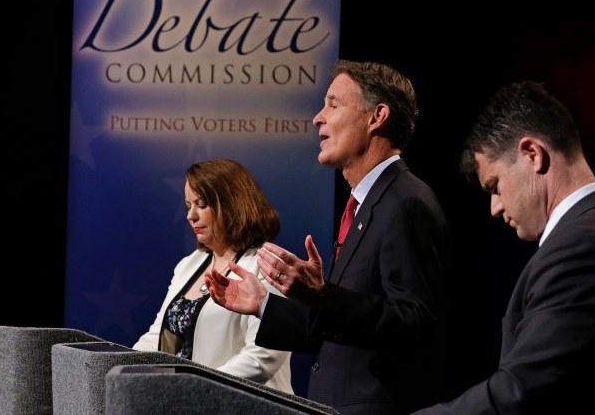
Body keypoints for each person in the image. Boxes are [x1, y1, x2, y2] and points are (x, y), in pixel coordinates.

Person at [206, 60, 452, 414]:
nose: (317, 118)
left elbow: (415, 324)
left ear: (376, 116)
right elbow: (340, 330)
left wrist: (322, 296)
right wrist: (262, 304)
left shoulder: (406, 203)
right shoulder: (367, 205)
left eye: (333, 104)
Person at [414, 81, 595, 415]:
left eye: (495, 186)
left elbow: (519, 394)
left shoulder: (585, 249)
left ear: (532, 154)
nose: (494, 207)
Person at [133, 157, 293, 393]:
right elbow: (158, 335)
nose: (191, 216)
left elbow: (262, 357)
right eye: (188, 205)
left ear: (233, 204)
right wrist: (118, 367)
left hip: (244, 404)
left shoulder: (267, 265)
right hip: (183, 401)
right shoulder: (188, 265)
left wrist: (196, 387)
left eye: (202, 204)